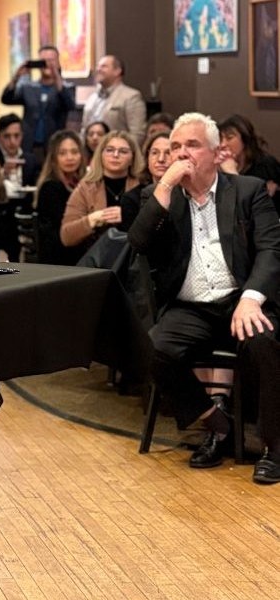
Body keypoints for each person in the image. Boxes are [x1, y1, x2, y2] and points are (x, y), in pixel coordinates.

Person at [128, 112, 280, 483]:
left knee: (265, 341)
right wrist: (163, 189)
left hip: (238, 300)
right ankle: (217, 424)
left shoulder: (247, 190)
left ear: (217, 152)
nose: (181, 154)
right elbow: (138, 243)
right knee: (152, 351)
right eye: (175, 146)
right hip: (190, 307)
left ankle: (274, 448)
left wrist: (252, 297)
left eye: (191, 145)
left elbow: (271, 248)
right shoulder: (158, 197)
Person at [60, 130, 143, 252]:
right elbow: (66, 236)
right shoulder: (86, 187)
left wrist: (128, 215)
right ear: (101, 155)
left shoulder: (142, 187)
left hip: (133, 257)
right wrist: (92, 220)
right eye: (109, 150)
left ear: (132, 158)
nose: (115, 155)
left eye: (123, 151)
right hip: (97, 259)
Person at [0, 45, 76, 162]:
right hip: (29, 145)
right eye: (43, 61)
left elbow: (69, 105)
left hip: (54, 145)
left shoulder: (66, 88)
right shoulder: (28, 88)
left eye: (51, 60)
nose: (47, 64)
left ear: (58, 63)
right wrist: (17, 77)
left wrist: (57, 78)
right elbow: (6, 99)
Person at [34, 130, 87, 266]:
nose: (70, 158)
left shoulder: (82, 183)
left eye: (74, 152)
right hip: (59, 260)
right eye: (62, 153)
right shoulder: (51, 187)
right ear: (53, 158)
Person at [0, 112, 41, 260]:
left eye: (16, 136)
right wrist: (2, 173)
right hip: (0, 212)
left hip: (25, 210)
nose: (12, 141)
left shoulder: (31, 159)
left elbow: (37, 185)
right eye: (7, 136)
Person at [218, 113, 280, 213]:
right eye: (220, 139)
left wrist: (232, 173)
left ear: (245, 139)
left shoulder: (266, 165)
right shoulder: (217, 167)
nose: (223, 144)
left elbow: (248, 208)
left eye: (229, 138)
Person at [81, 55, 147, 144]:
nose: (98, 69)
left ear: (117, 71)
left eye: (104, 66)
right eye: (98, 66)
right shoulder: (92, 98)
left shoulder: (131, 97)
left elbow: (137, 134)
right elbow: (84, 131)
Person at [119, 131, 172, 230]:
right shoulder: (131, 199)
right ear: (147, 158)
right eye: (154, 153)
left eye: (168, 153)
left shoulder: (187, 194)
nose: (161, 159)